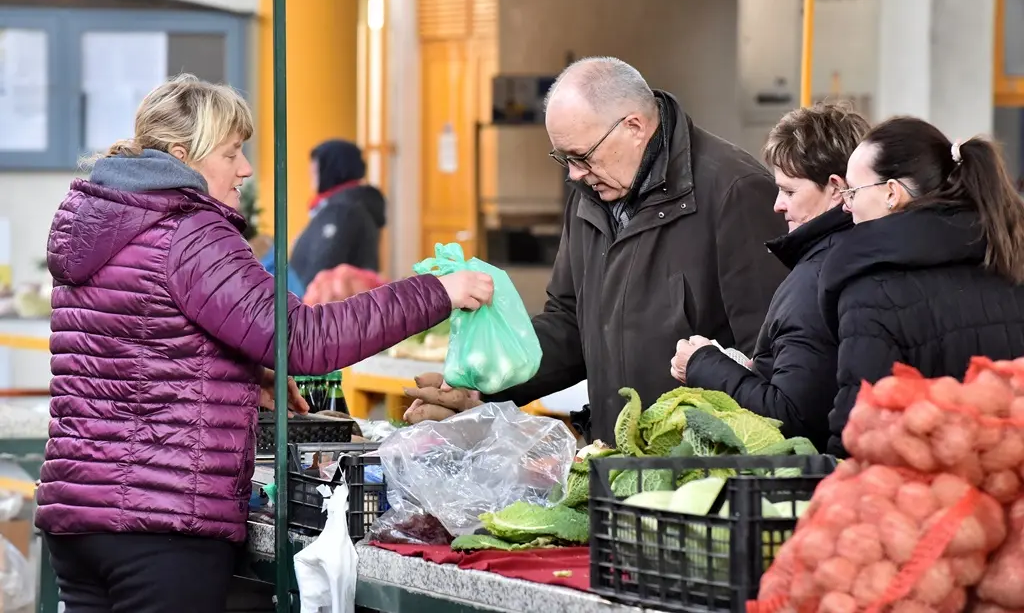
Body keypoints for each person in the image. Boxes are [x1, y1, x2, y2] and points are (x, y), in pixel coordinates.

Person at [36, 74, 493, 613]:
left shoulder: (102, 225)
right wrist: (436, 293)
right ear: (185, 156)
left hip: (79, 517)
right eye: (233, 153)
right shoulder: (189, 232)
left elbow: (137, 353)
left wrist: (244, 374)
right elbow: (305, 337)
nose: (246, 169)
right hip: (161, 527)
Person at [411, 57, 788, 444]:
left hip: (703, 469)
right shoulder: (590, 194)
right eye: (565, 159)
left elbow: (769, 356)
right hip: (615, 460)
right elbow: (569, 324)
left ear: (634, 128)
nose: (574, 174)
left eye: (582, 156)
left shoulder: (736, 192)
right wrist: (486, 383)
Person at [819, 115, 1024, 457]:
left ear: (891, 193)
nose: (845, 203)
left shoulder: (870, 291)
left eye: (852, 190)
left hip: (925, 497)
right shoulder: (1009, 255)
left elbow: (860, 430)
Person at [669, 103, 869, 452]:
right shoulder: (856, 257)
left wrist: (704, 365)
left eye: (790, 191)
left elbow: (791, 416)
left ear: (836, 188)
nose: (778, 205)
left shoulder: (816, 280)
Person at [289, 139, 385, 287]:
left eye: (316, 171)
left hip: (329, 303)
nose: (311, 176)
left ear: (333, 169)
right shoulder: (340, 205)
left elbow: (321, 269)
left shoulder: (343, 210)